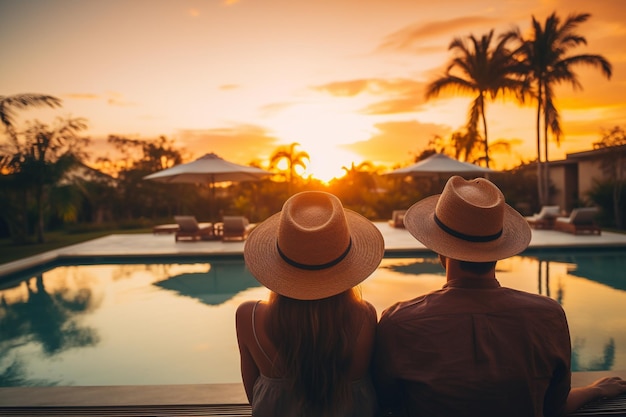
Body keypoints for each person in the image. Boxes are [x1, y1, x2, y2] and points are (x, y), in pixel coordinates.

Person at [375, 175, 626, 417]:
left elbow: (388, 403)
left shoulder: (400, 322)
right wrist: (594, 391)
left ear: (440, 250)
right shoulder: (547, 314)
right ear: (499, 248)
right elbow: (553, 407)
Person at [236, 191, 385, 416]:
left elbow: (253, 397)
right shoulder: (364, 316)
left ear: (278, 264)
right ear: (347, 264)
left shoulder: (249, 317)